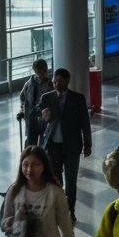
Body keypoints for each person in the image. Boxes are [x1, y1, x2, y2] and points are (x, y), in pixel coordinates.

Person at [38, 68, 92, 223]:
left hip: (72, 147)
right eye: (54, 81)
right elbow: (38, 119)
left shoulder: (78, 99)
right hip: (52, 146)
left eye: (60, 82)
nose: (56, 84)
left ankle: (70, 211)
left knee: (71, 181)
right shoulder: (46, 98)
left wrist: (88, 144)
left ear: (67, 81)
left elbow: (85, 123)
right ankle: (57, 209)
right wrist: (43, 117)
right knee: (54, 181)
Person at [17, 58, 53, 148]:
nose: (44, 72)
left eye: (45, 69)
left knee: (44, 142)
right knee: (30, 142)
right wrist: (22, 108)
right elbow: (22, 96)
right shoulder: (30, 83)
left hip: (44, 118)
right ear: (36, 71)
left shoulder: (51, 84)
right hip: (31, 118)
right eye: (41, 70)